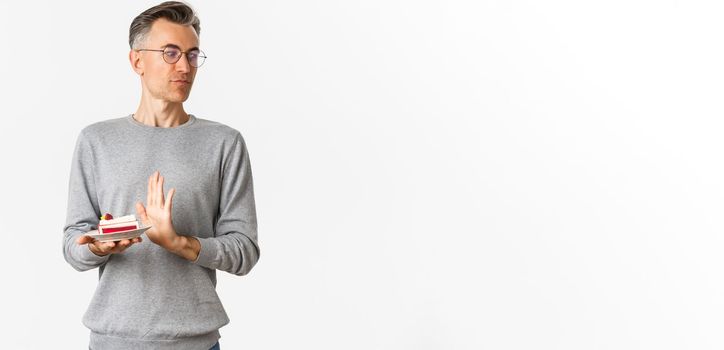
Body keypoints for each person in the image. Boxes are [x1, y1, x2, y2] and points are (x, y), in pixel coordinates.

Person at [62, 2, 259, 349]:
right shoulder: (96, 140)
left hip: (195, 343)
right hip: (112, 341)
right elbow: (73, 245)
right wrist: (100, 246)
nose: (184, 66)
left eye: (192, 54)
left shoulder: (224, 143)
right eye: (170, 53)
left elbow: (244, 251)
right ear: (137, 60)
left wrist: (180, 243)